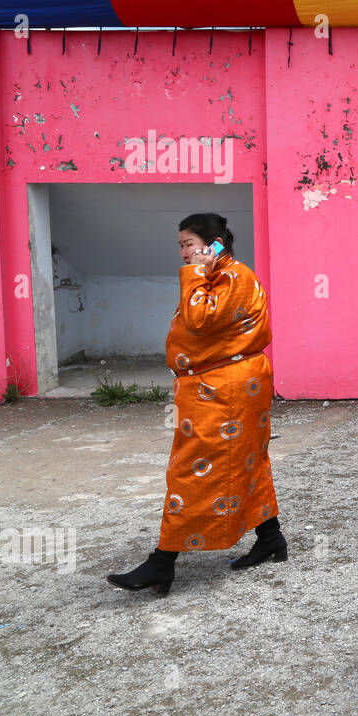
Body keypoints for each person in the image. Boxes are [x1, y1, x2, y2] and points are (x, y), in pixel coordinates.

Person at [107, 213, 285, 596]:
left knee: (193, 470)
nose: (184, 253)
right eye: (182, 246)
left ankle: (162, 561)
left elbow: (200, 319)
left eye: (188, 244)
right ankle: (271, 538)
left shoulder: (232, 277)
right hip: (218, 386)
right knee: (245, 461)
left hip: (228, 389)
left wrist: (194, 273)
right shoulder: (218, 276)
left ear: (213, 244)